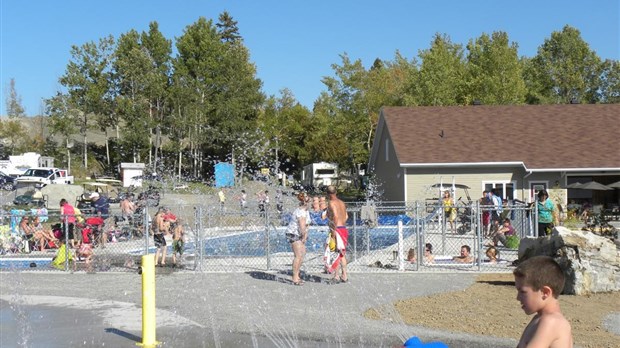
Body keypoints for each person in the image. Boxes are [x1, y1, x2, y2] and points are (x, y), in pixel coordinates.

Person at [513, 256, 573, 348]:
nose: (518, 298)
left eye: (523, 292)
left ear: (545, 292)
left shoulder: (552, 322)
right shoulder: (539, 319)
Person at [325, 185, 349, 283]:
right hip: (343, 228)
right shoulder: (342, 203)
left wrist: (333, 230)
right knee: (342, 253)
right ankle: (344, 275)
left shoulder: (331, 203)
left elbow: (335, 216)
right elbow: (346, 216)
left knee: (335, 253)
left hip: (337, 229)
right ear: (336, 192)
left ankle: (336, 276)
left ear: (327, 194)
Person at [286, 192, 310, 285]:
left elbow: (306, 226)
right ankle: (295, 278)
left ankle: (297, 275)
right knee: (298, 255)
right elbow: (302, 226)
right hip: (293, 234)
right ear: (305, 202)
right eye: (309, 201)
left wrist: (305, 236)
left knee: (302, 253)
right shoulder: (301, 212)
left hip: (298, 234)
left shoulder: (305, 211)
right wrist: (304, 236)